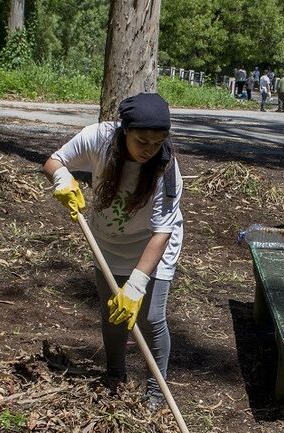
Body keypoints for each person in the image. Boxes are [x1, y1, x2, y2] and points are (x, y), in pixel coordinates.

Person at [42, 93, 183, 409]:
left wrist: (136, 284)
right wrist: (62, 179)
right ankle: (115, 375)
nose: (149, 149)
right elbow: (54, 160)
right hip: (107, 242)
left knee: (150, 318)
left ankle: (155, 393)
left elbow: (162, 232)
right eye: (142, 140)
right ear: (124, 131)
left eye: (158, 142)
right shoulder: (99, 138)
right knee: (112, 312)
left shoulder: (166, 169)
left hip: (153, 247)